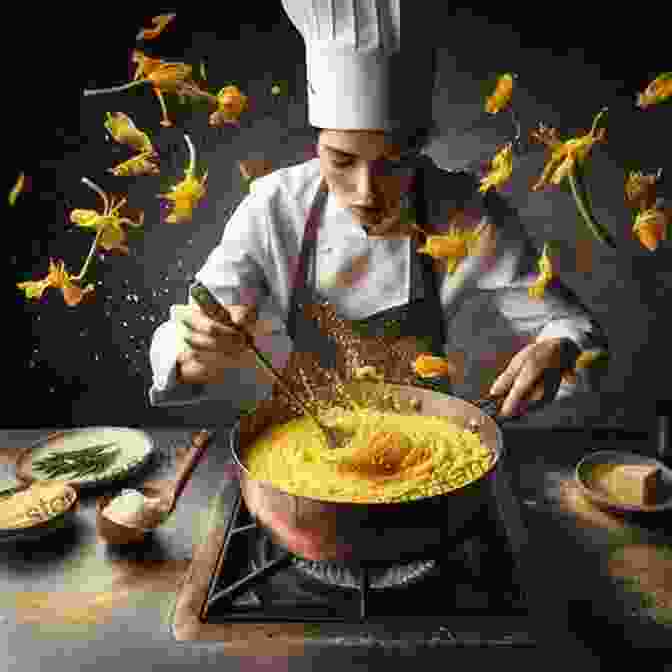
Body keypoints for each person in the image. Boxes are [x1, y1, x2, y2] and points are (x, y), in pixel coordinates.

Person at [148, 0, 608, 420]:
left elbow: (569, 324)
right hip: (306, 437)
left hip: (426, 439)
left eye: (392, 165)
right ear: (318, 144)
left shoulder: (466, 213)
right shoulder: (274, 205)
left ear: (420, 148)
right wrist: (191, 354)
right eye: (342, 160)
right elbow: (182, 330)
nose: (366, 192)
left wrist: (558, 348)